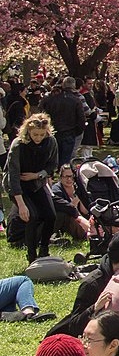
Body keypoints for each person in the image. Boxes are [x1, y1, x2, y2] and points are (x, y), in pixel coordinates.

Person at [7, 112, 60, 263]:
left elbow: (53, 165)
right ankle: (31, 255)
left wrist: (37, 175)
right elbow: (13, 174)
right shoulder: (18, 144)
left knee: (51, 216)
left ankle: (44, 249)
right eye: (35, 134)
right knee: (32, 216)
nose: (38, 138)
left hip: (37, 182)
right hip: (18, 185)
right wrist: (21, 204)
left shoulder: (51, 142)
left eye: (41, 134)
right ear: (28, 131)